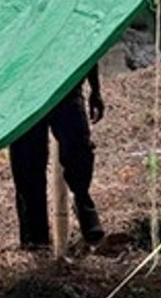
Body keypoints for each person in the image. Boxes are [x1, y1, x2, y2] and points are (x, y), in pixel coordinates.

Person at [9, 63, 105, 250]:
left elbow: (87, 38)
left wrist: (95, 89)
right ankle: (36, 242)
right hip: (24, 90)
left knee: (78, 149)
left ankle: (82, 200)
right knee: (28, 167)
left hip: (65, 82)